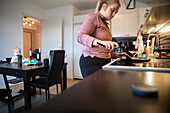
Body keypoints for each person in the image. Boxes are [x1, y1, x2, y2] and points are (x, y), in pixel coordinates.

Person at [77, 0, 121, 78]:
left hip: (104, 62)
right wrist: (100, 42)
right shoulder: (93, 17)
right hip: (92, 63)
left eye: (116, 12)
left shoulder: (105, 24)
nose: (114, 14)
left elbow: (104, 50)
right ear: (104, 6)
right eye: (112, 10)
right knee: (96, 90)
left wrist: (117, 55)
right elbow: (80, 36)